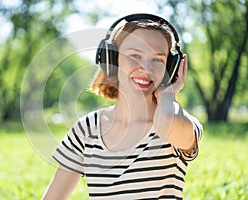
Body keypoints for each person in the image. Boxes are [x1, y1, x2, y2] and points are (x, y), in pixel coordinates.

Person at [41, 13, 203, 199]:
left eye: (158, 59)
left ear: (170, 68)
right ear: (111, 59)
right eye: (135, 55)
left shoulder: (177, 122)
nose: (147, 69)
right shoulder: (87, 130)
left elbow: (166, 119)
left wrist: (168, 94)